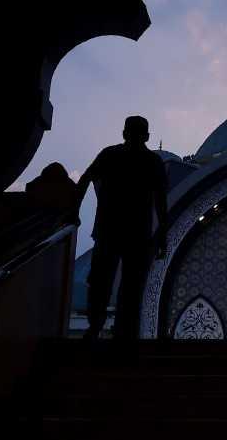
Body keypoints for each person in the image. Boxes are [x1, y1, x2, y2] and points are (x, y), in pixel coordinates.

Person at [70, 115, 169, 343]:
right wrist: (162, 234)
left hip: (109, 230)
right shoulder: (152, 162)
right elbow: (160, 201)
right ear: (146, 136)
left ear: (124, 133)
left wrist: (74, 210)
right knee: (130, 285)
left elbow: (85, 179)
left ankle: (95, 328)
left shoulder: (110, 155)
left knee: (101, 282)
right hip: (136, 234)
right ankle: (124, 333)